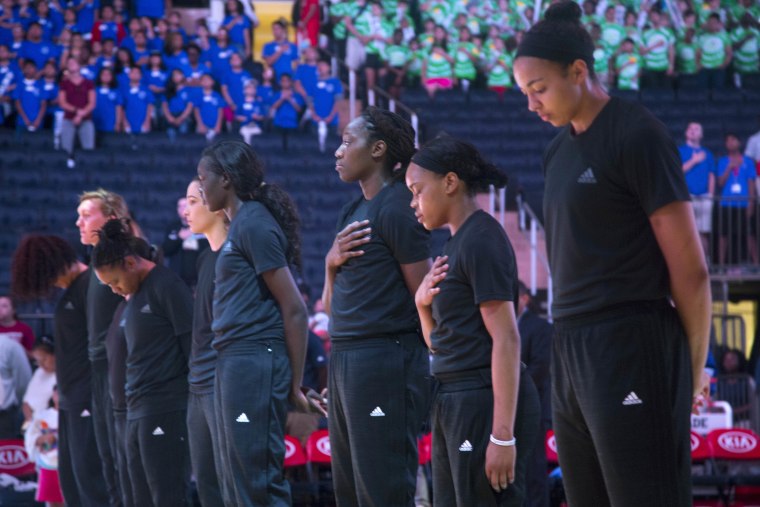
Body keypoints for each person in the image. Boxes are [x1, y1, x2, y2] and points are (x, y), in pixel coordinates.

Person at [512, 2, 712, 505]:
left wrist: (691, 368)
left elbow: (691, 272)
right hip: (571, 345)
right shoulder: (557, 151)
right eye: (524, 93)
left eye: (539, 90)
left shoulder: (637, 134)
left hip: (632, 340)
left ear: (578, 72)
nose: (531, 106)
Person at [407, 136, 539, 506]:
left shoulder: (482, 239)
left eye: (418, 191)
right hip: (452, 395)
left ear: (450, 182)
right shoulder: (452, 245)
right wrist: (422, 306)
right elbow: (442, 345)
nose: (413, 203)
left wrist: (502, 435)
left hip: (482, 399)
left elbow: (508, 339)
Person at [196, 140, 316, 505]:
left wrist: (293, 385)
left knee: (256, 481)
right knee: (237, 481)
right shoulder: (240, 225)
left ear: (227, 179)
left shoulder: (254, 224)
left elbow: (295, 309)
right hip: (235, 360)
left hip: (255, 360)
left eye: (204, 179)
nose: (200, 189)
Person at [322, 107, 431, 506]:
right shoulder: (351, 211)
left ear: (378, 149)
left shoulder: (399, 206)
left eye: (348, 142)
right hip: (345, 357)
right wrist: (330, 264)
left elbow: (424, 294)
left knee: (382, 489)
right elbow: (329, 307)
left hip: (386, 358)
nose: (338, 151)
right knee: (349, 491)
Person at [92, 219, 193, 507]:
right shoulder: (132, 297)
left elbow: (193, 348)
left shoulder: (167, 285)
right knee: (140, 499)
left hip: (165, 407)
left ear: (130, 263)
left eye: (114, 281)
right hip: (135, 409)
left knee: (167, 495)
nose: (113, 289)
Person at [10, 234, 109, 506]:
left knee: (91, 480)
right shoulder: (72, 290)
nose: (50, 284)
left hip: (89, 397)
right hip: (69, 398)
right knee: (71, 481)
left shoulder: (93, 286)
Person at [78, 189, 142, 507]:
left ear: (112, 218)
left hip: (120, 368)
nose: (79, 222)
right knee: (108, 459)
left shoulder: (127, 257)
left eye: (87, 214)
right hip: (98, 367)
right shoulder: (94, 262)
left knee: (125, 459)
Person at [183, 178, 228, 507]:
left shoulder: (234, 255)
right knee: (207, 484)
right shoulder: (205, 260)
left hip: (220, 382)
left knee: (231, 481)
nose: (186, 209)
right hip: (197, 383)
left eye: (193, 201)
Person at [516, 282, 552, 507]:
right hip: (507, 411)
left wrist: (508, 386)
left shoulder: (540, 328)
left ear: (524, 298)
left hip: (533, 409)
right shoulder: (497, 326)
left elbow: (540, 367)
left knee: (534, 472)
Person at [717, 133, 757, 266]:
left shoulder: (748, 161)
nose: (730, 142)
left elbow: (751, 182)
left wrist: (751, 202)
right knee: (724, 234)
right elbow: (721, 182)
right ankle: (722, 265)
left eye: (733, 140)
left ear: (739, 143)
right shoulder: (723, 161)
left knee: (749, 234)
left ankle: (756, 265)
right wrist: (729, 168)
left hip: (744, 203)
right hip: (727, 203)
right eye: (727, 140)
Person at [679, 122, 716, 259]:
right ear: (686, 132)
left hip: (705, 197)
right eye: (690, 128)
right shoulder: (680, 151)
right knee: (687, 231)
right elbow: (678, 172)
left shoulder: (707, 154)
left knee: (703, 231)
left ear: (701, 134)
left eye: (696, 129)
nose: (693, 131)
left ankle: (705, 262)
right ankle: (688, 261)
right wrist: (694, 161)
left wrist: (711, 195)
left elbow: (712, 174)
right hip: (688, 196)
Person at [24, 386, 63, 507]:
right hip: (49, 463)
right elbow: (30, 436)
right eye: (57, 392)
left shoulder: (74, 415)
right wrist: (41, 439)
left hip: (68, 464)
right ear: (53, 395)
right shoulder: (42, 416)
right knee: (52, 500)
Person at [161, 196, 208, 289]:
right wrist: (179, 237)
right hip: (178, 279)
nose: (183, 209)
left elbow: (209, 249)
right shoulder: (173, 227)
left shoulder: (202, 226)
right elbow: (165, 250)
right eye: (180, 206)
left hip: (200, 278)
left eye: (185, 206)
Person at [59, 56, 95, 169]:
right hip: (69, 118)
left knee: (88, 147)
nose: (71, 64)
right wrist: (76, 111)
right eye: (69, 62)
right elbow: (62, 102)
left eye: (74, 62)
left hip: (86, 118)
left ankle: (87, 169)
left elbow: (92, 103)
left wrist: (81, 114)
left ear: (79, 65)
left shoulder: (88, 83)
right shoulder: (64, 83)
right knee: (66, 147)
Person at [22, 335, 57, 425]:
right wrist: (31, 421)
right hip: (35, 423)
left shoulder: (63, 375)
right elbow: (26, 403)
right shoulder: (39, 372)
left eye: (44, 359)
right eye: (37, 361)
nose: (41, 364)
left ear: (55, 354)